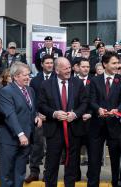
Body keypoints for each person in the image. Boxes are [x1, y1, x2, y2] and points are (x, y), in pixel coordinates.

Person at [38, 57, 88, 187]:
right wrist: (54, 113)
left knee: (71, 165)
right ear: (57, 70)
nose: (68, 70)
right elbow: (42, 104)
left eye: (69, 68)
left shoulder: (77, 83)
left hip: (73, 129)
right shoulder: (46, 84)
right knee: (52, 165)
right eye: (65, 68)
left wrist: (75, 114)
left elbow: (84, 103)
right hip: (54, 130)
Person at [88, 51, 121, 187]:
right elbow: (91, 100)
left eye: (118, 63)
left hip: (115, 125)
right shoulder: (94, 80)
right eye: (114, 63)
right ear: (105, 64)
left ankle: (116, 183)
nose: (117, 66)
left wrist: (118, 110)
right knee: (94, 159)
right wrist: (98, 109)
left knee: (116, 159)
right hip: (97, 125)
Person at [0, 62, 42, 187]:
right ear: (16, 76)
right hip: (10, 139)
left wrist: (37, 116)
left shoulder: (30, 90)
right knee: (7, 174)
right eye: (25, 75)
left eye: (29, 74)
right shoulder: (6, 91)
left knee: (20, 172)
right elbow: (10, 115)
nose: (28, 77)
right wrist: (20, 134)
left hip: (26, 139)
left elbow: (31, 109)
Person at [25, 54, 55, 183]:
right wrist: (37, 114)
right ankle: (34, 172)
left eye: (51, 63)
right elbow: (32, 99)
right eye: (47, 63)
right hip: (39, 119)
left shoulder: (57, 79)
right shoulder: (35, 80)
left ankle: (47, 174)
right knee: (37, 147)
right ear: (42, 64)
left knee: (51, 148)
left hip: (53, 118)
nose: (49, 65)